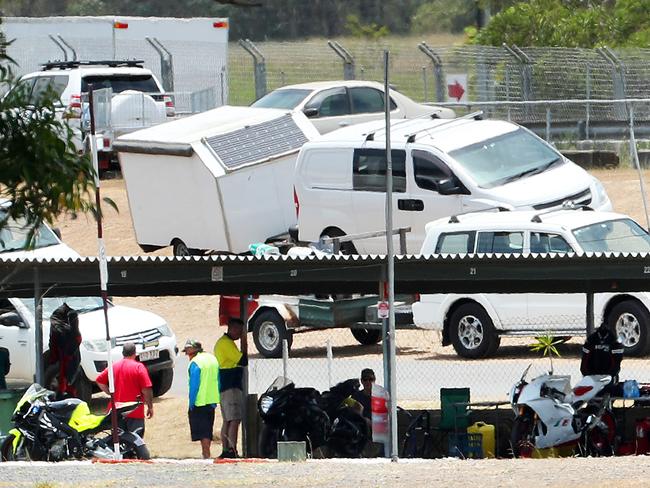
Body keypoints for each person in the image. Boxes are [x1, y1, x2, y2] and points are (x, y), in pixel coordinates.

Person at [96, 342, 153, 438]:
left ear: (123, 353)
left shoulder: (113, 366)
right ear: (135, 353)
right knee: (135, 442)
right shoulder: (139, 367)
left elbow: (99, 380)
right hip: (134, 411)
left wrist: (110, 392)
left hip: (116, 411)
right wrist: (150, 406)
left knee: (118, 443)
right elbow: (146, 389)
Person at [214, 318, 247, 459]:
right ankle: (231, 449)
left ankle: (227, 449)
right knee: (234, 419)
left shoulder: (224, 343)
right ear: (232, 328)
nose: (240, 335)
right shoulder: (226, 344)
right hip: (231, 386)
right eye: (239, 331)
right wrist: (244, 343)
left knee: (228, 419)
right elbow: (242, 360)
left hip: (226, 385)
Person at [184, 339, 220, 459]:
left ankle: (206, 454)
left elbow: (194, 385)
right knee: (208, 429)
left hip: (200, 401)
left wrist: (191, 403)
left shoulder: (195, 363)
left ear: (192, 351)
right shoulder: (212, 359)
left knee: (203, 431)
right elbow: (218, 379)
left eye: (188, 353)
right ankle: (206, 452)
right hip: (212, 400)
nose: (187, 356)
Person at [49, 303, 82, 399]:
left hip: (69, 359)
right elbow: (53, 342)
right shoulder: (59, 326)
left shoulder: (69, 329)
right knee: (66, 382)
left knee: (69, 382)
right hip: (64, 359)